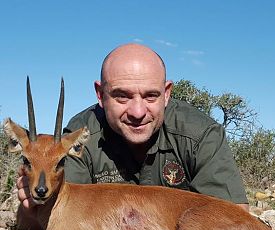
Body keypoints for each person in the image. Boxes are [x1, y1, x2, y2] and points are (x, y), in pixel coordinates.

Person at [17, 43, 249, 214]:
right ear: (101, 95)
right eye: (122, 96)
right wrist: (32, 209)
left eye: (150, 96)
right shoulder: (80, 136)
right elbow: (57, 212)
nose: (137, 112)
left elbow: (235, 216)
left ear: (166, 93)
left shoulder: (200, 134)